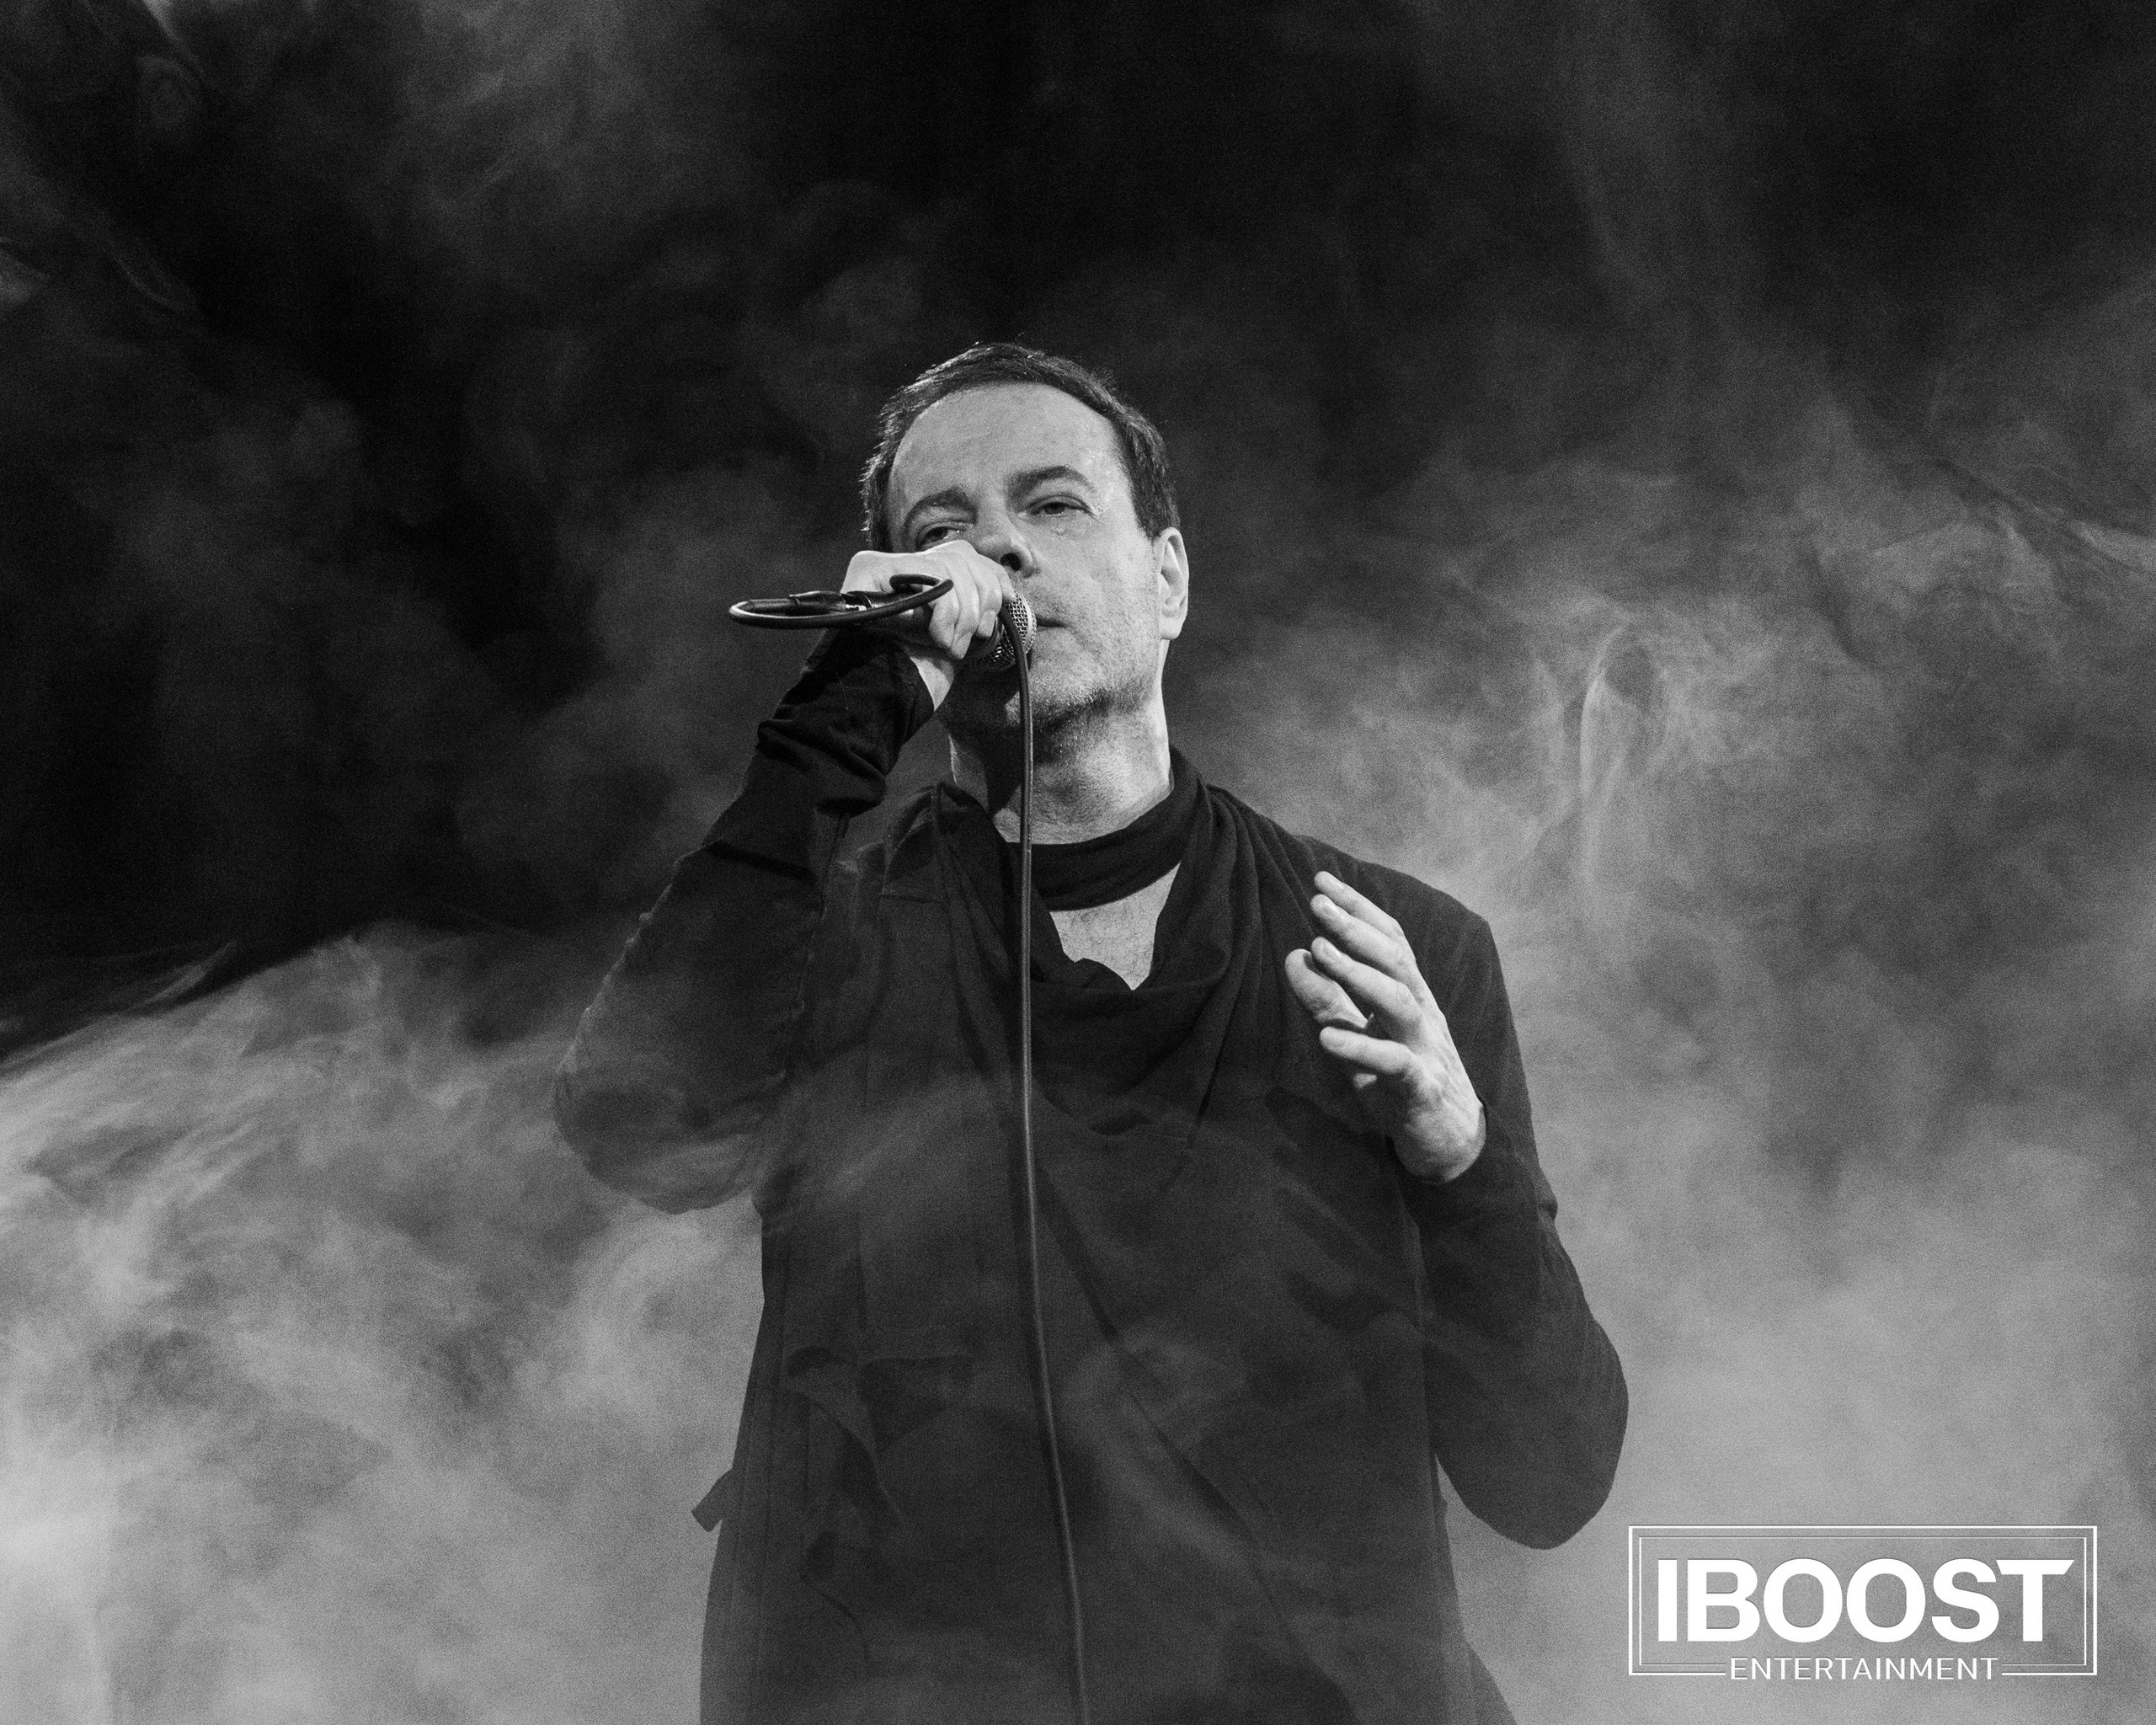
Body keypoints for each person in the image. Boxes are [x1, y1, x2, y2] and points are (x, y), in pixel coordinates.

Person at [553, 343, 1626, 1725]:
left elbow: (1549, 1478)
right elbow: (637, 1123)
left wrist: (1462, 1161)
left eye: (1052, 505)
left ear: (1168, 578)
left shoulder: (1387, 949)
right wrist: (845, 708)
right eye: (937, 531)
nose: (992, 548)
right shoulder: (826, 944)